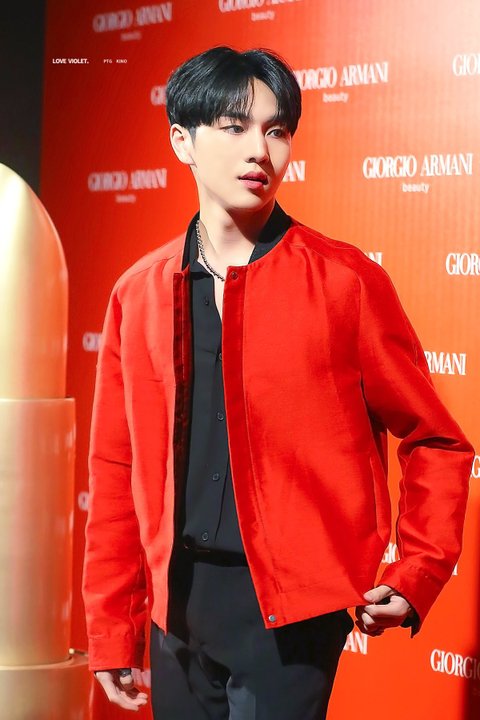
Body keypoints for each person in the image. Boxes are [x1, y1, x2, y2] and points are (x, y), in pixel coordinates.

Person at [82, 46, 474, 719]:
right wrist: (113, 627)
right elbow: (116, 472)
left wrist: (417, 572)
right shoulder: (138, 293)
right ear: (182, 141)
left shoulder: (346, 283)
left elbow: (436, 441)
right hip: (177, 608)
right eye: (234, 127)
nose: (259, 150)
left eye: (276, 130)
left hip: (293, 617)